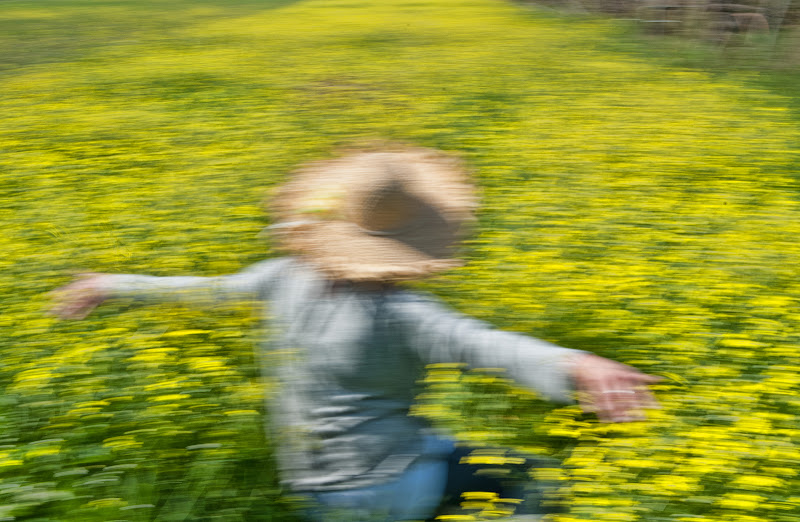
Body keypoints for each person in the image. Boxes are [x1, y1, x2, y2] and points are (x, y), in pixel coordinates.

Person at [51, 145, 660, 521]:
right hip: (385, 487)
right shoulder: (403, 313)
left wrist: (112, 283)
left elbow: (204, 291)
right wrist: (578, 365)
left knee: (445, 446)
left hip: (308, 484)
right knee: (536, 480)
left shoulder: (283, 275)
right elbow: (487, 345)